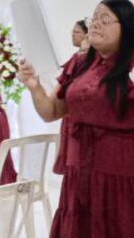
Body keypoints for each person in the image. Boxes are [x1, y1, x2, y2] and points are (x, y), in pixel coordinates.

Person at [18, 0, 134, 238]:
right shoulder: (79, 65)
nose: (95, 24)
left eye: (105, 20)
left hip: (124, 178)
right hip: (79, 174)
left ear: (126, 27)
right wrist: (34, 86)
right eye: (94, 19)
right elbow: (51, 112)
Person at [53, 19, 91, 175]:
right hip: (69, 114)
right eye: (72, 32)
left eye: (77, 32)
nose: (72, 35)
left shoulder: (86, 59)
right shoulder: (76, 58)